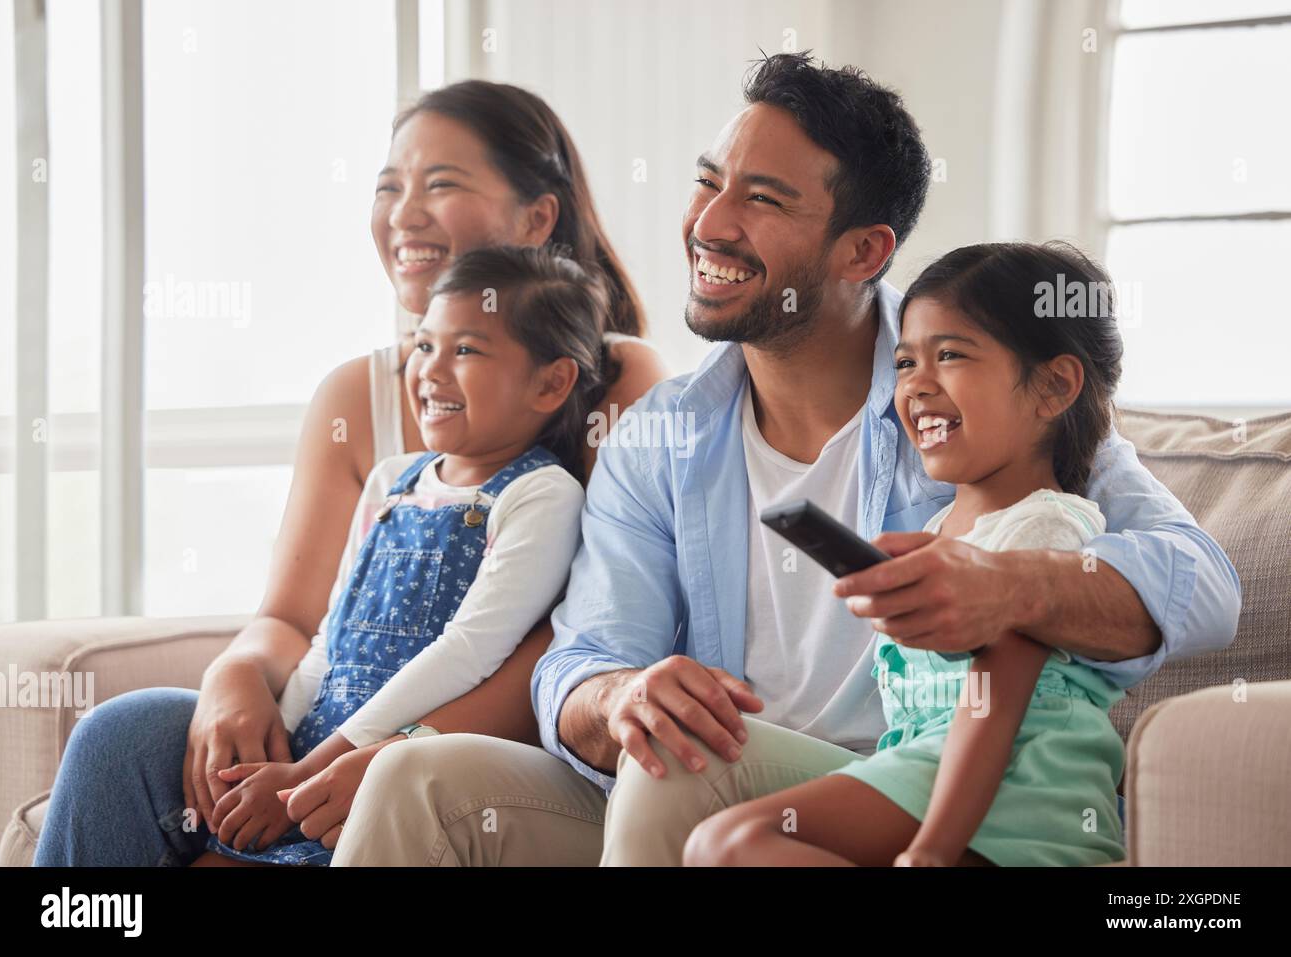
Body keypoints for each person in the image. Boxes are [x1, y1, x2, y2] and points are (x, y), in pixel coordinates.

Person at [330, 52, 1239, 868]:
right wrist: (619, 697)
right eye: (708, 182)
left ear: (864, 250)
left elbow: (1203, 581)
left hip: (888, 792)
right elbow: (585, 659)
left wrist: (1014, 588)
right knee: (419, 778)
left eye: (762, 200)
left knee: (684, 768)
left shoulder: (975, 407)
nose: (710, 223)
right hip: (698, 793)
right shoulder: (658, 437)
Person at [33, 80, 666, 866]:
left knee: (397, 787)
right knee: (124, 735)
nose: (404, 214)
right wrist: (237, 673)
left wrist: (370, 751)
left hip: (483, 741)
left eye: (440, 184)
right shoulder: (356, 396)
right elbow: (298, 618)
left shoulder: (615, 377)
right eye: (388, 188)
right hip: (335, 722)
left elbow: (569, 637)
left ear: (538, 217)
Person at [685, 241, 1131, 866]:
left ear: (1053, 387)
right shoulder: (946, 529)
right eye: (903, 363)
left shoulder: (1044, 531)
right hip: (935, 773)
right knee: (725, 843)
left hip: (1020, 799)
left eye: (949, 355)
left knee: (730, 845)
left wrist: (931, 851)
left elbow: (991, 706)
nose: (917, 386)